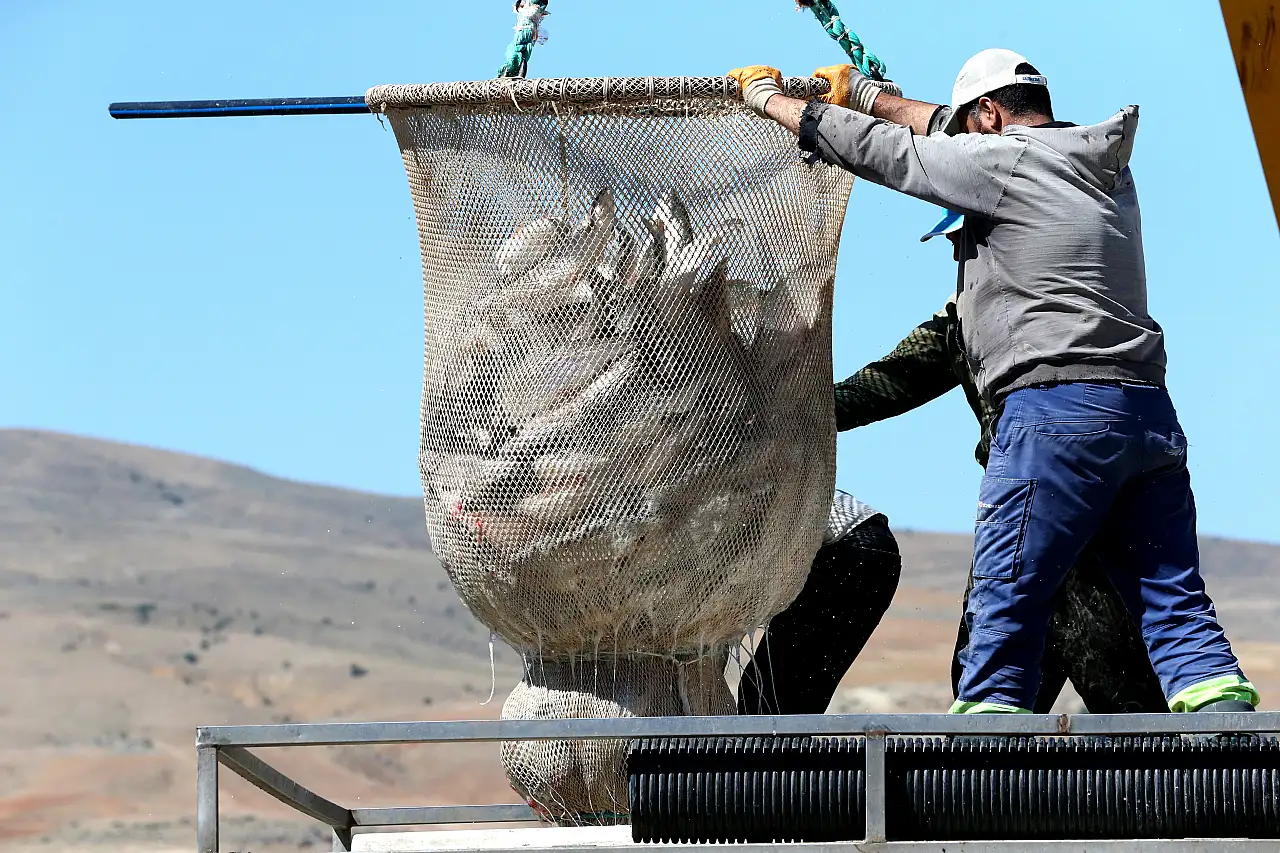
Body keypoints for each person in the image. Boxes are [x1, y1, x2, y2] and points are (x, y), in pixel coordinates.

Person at [727, 49, 1258, 715]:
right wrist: (865, 92)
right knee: (1176, 609)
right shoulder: (1101, 168)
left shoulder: (1000, 163)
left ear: (991, 114)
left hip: (1054, 422)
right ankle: (1229, 750)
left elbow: (893, 155)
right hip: (1147, 416)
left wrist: (778, 106)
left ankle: (985, 758)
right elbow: (950, 132)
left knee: (1005, 603)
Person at [837, 287, 1168, 714]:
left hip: (1078, 515)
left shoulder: (1062, 309)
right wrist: (800, 413)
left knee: (1121, 696)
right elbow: (892, 382)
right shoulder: (963, 319)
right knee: (989, 701)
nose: (961, 253)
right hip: (1021, 519)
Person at [737, 489, 901, 715]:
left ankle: (766, 747)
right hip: (883, 554)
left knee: (765, 687)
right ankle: (790, 746)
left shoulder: (746, 494)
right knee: (812, 683)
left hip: (848, 547)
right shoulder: (794, 480)